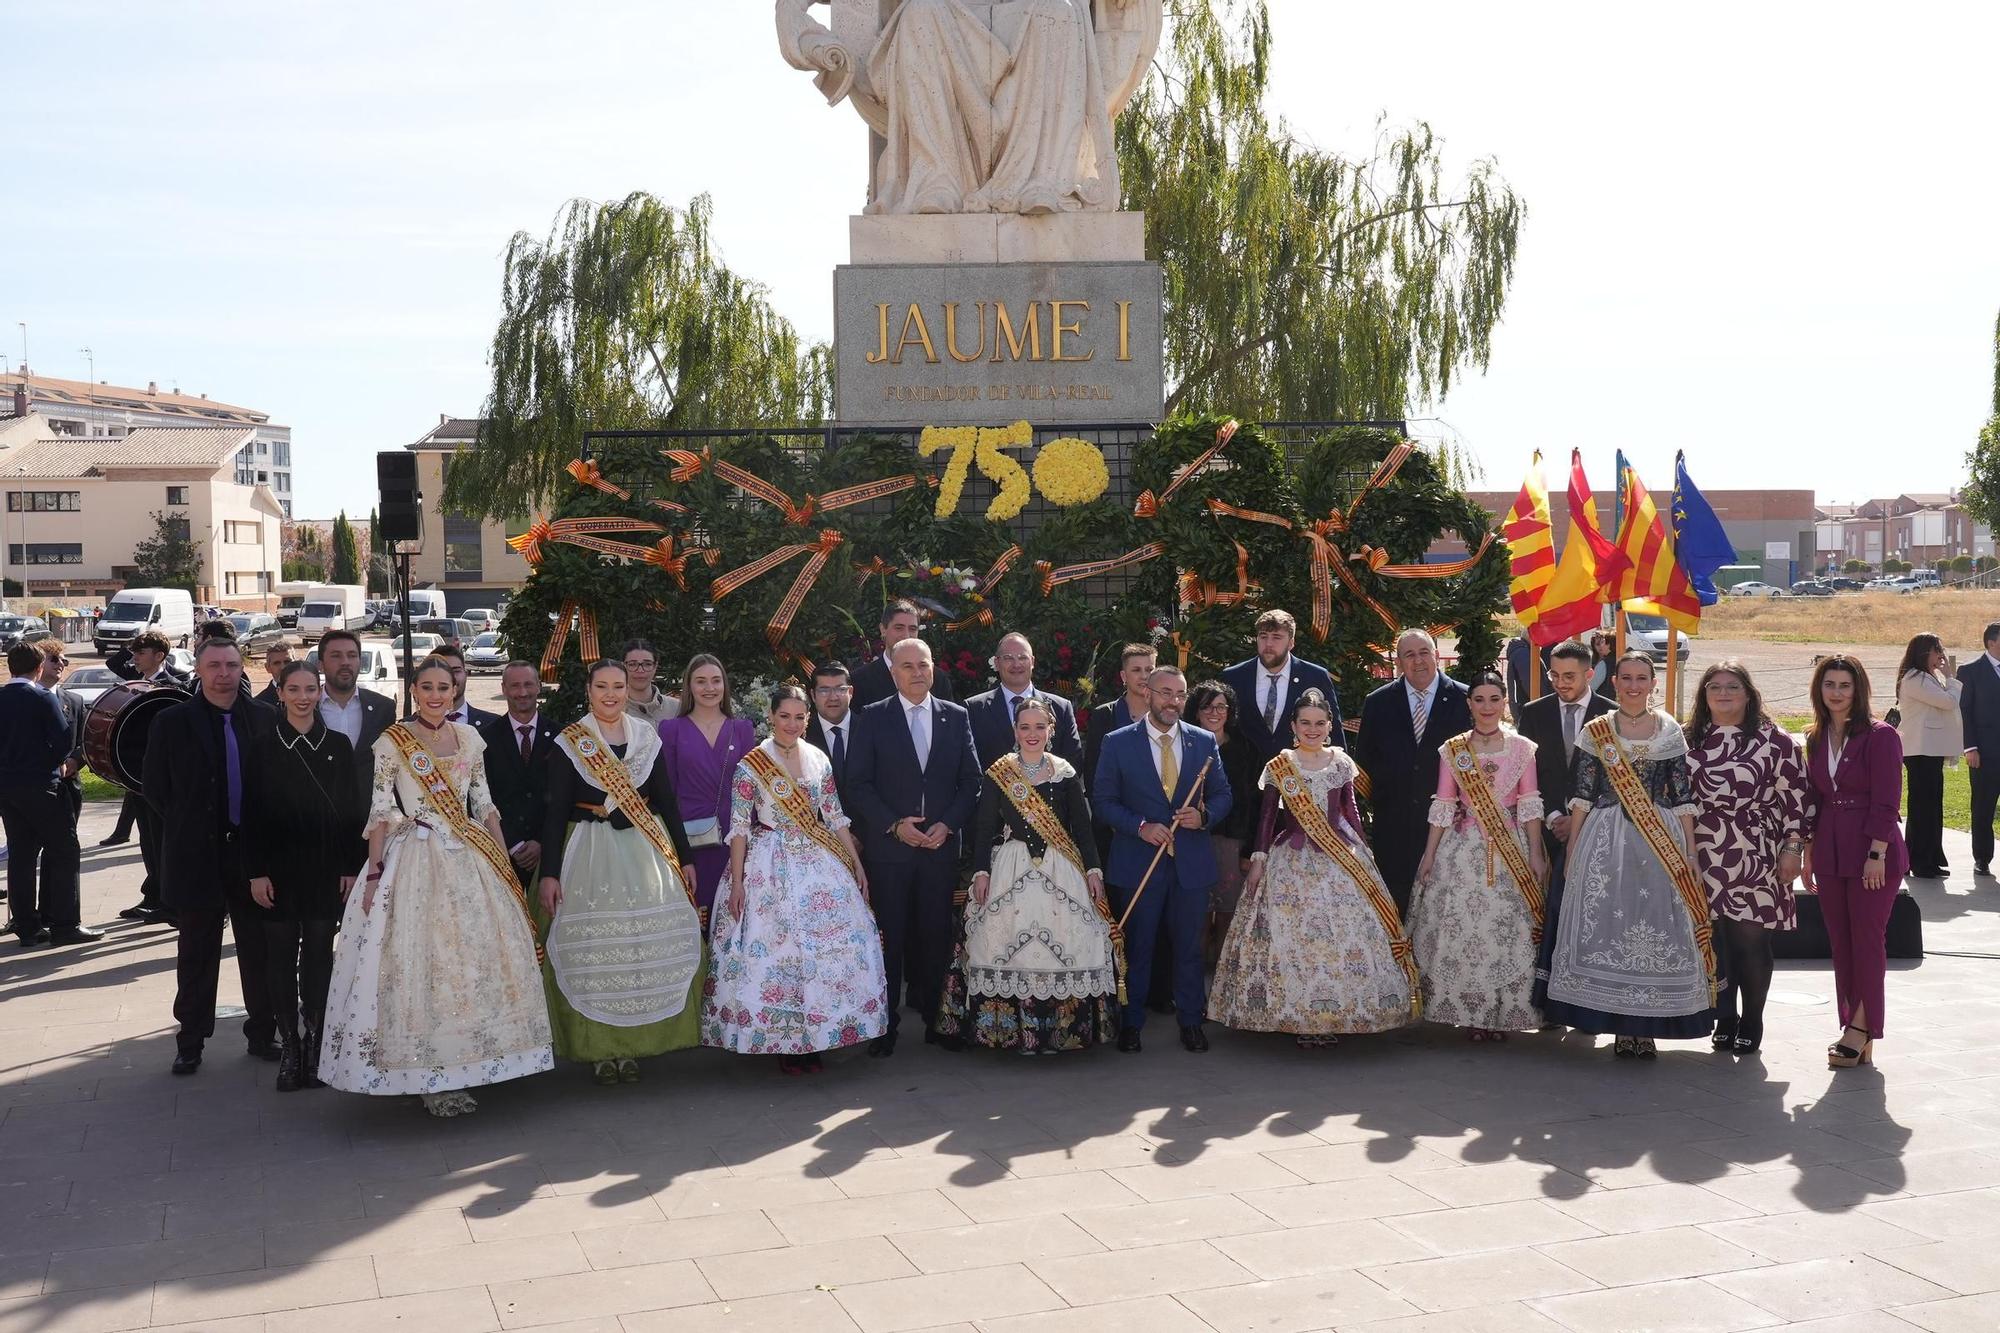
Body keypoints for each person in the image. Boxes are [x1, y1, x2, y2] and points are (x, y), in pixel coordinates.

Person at [319, 657, 553, 1115]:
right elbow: (380, 811)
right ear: (414, 689)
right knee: (422, 963)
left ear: (454, 690)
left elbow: (484, 804)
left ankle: (472, 1060)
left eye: (443, 687)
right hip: (415, 859)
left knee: (471, 964)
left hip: (470, 856)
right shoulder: (394, 741)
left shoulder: (470, 737)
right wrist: (374, 873)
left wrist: (503, 864)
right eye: (426, 687)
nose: (435, 695)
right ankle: (427, 1073)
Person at [704, 684, 886, 1072]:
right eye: (784, 716)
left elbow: (834, 816)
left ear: (808, 719)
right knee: (779, 952)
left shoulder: (818, 758)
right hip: (768, 865)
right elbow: (739, 827)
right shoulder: (753, 764)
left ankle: (817, 1037)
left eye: (799, 717)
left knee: (823, 951)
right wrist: (738, 883)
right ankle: (785, 1043)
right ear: (770, 716)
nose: (791, 724)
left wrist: (856, 864)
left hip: (819, 863)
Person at [540, 660, 704, 1085]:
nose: (610, 694)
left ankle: (634, 1048)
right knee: (595, 953)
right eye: (602, 686)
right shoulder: (571, 741)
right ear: (589, 690)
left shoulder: (646, 737)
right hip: (588, 854)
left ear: (627, 690)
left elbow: (666, 800)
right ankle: (600, 1051)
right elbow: (554, 812)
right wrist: (550, 873)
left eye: (617, 686)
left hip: (646, 850)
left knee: (640, 951)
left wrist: (685, 857)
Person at [1211, 689, 1406, 1047]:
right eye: (1305, 723)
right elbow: (1267, 818)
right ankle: (1297, 1016)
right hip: (1291, 857)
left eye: (1319, 723)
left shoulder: (1341, 763)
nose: (1312, 729)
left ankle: (1339, 1016)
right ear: (1293, 726)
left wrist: (1364, 853)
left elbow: (1350, 811)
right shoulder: (1280, 765)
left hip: (1339, 856)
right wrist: (1258, 860)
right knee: (1291, 938)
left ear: (1330, 726)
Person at [1541, 652, 1711, 1059]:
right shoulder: (1597, 731)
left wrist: (1690, 852)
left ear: (1653, 683)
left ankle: (1646, 1028)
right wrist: (1574, 848)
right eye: (1627, 678)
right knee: (1611, 929)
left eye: (1642, 678)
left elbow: (1682, 796)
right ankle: (1620, 1026)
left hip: (1658, 840)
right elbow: (1582, 795)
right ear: (1614, 682)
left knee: (1653, 925)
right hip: (1605, 840)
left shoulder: (1669, 730)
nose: (1634, 686)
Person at [938, 696, 1115, 1053]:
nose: (1032, 734)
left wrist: (1093, 870)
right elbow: (984, 827)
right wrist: (981, 872)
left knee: (1068, 946)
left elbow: (1082, 828)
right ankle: (1015, 1033)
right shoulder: (1000, 772)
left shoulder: (1064, 772)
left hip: (1061, 869)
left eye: (1039, 726)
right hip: (1011, 866)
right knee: (1003, 946)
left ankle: (1056, 1034)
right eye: (1024, 727)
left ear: (1051, 730)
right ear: (1015, 731)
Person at [143, 638, 279, 1074]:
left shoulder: (265, 717)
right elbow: (156, 789)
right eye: (215, 666)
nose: (224, 674)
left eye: (232, 665)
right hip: (197, 854)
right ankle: (190, 1041)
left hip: (252, 856)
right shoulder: (172, 721)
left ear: (243, 669)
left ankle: (263, 1032)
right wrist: (191, 824)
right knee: (197, 952)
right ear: (198, 671)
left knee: (258, 949)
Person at [844, 637, 982, 1055]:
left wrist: (948, 824)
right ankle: (884, 1026)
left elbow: (971, 781)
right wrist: (893, 825)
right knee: (891, 937)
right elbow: (857, 783)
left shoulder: (955, 716)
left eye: (924, 664)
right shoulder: (872, 717)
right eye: (908, 666)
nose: (918, 672)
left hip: (939, 849)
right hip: (891, 852)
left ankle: (940, 1022)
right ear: (893, 673)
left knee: (936, 937)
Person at [1093, 665, 1234, 1054]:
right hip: (1139, 863)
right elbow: (1103, 801)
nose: (1173, 701)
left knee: (1189, 949)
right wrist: (1140, 827)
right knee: (1138, 947)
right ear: (1147, 693)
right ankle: (1131, 1024)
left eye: (1180, 694)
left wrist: (1204, 817)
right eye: (1165, 693)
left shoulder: (1202, 741)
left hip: (1190, 865)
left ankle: (1191, 1022)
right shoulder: (1117, 742)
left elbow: (1223, 794)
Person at [242, 662, 366, 1091]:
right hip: (277, 870)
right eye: (293, 689)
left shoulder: (337, 745)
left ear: (319, 692)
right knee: (278, 957)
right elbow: (250, 814)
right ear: (279, 692)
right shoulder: (262, 747)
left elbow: (352, 812)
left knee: (318, 955)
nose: (302, 697)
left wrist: (350, 866)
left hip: (325, 869)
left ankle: (315, 1044)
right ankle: (290, 1047)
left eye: (310, 689)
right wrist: (256, 872)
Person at [1410, 671, 1548, 1041]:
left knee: (1507, 933)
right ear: (1469, 704)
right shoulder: (1453, 749)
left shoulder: (1523, 748)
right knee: (1462, 930)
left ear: (1505, 703)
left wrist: (1536, 854)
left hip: (1510, 849)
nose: (1487, 707)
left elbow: (1530, 804)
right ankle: (1470, 1014)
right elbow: (1444, 804)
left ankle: (1501, 1015)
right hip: (1461, 849)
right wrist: (1429, 856)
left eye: (1494, 699)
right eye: (1479, 700)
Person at [1685, 660, 1806, 1056]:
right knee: (1715, 940)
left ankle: (1753, 1018)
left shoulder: (1775, 740)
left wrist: (1793, 849)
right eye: (1714, 686)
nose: (1723, 693)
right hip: (1702, 850)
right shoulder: (1687, 739)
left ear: (1748, 694)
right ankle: (1725, 1016)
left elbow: (1797, 798)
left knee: (1750, 941)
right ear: (1704, 695)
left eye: (1732, 686)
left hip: (1756, 849)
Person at [1803, 655, 1907, 1070]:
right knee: (1841, 943)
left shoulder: (1881, 736)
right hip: (1830, 851)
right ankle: (1852, 1023)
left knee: (1867, 940)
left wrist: (1877, 853)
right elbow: (1815, 798)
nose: (1836, 692)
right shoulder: (1814, 736)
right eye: (1829, 684)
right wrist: (1810, 851)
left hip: (1872, 852)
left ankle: (1861, 1028)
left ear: (1858, 689)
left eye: (1844, 685)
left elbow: (1887, 799)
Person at [1515, 640, 1613, 1012]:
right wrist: (1555, 817)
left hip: (1596, 833)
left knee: (1591, 920)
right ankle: (1551, 1004)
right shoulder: (1533, 713)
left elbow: (1614, 779)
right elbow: (1528, 774)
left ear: (1590, 674)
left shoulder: (1611, 715)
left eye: (1569, 676)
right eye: (1554, 675)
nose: (1560, 683)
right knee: (1550, 918)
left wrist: (1580, 821)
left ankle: (1587, 1006)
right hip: (1547, 830)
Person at [1355, 629, 1473, 914]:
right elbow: (1364, 763)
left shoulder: (1465, 699)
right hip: (1394, 826)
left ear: (1436, 655)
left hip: (1450, 826)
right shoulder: (1378, 702)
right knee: (1397, 906)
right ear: (1398, 663)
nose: (1418, 661)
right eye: (1409, 655)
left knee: (1445, 907)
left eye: (1424, 653)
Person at [0, 642, 89, 947]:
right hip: (42, 785)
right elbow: (63, 741)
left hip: (7, 788)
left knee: (21, 855)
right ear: (39, 668)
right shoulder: (41, 698)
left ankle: (27, 926)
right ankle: (66, 924)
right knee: (65, 851)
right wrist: (48, 761)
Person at [658, 654, 758, 916]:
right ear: (689, 686)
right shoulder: (671, 730)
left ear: (725, 685)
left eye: (716, 680)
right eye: (701, 681)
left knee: (736, 914)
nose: (709, 688)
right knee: (696, 912)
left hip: (735, 836)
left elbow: (752, 790)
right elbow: (667, 792)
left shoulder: (743, 729)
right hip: (691, 837)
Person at [114, 629, 188, 920]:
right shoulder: (133, 684)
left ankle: (166, 900)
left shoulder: (175, 686)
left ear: (159, 656)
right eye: (134, 652)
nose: (134, 657)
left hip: (161, 781)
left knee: (161, 841)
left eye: (141, 652)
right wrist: (132, 641)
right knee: (147, 840)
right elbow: (114, 663)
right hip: (137, 777)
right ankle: (154, 895)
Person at [1188, 679, 1258, 967]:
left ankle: (1222, 979)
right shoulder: (1186, 745)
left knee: (1229, 911)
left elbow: (1255, 802)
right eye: (1207, 706)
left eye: (1221, 707)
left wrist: (1250, 850)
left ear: (1230, 711)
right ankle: (1196, 979)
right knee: (1198, 913)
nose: (1214, 713)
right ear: (1196, 711)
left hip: (1233, 842)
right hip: (1194, 840)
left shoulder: (1246, 749)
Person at [1221, 609, 1343, 765]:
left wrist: (1339, 771)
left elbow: (1333, 729)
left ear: (1291, 643)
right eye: (1263, 636)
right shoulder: (1234, 677)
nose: (1268, 644)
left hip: (1300, 772)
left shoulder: (1314, 676)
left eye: (1276, 637)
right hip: (1244, 773)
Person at [478, 661, 558, 886]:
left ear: (539, 686)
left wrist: (541, 842)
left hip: (550, 855)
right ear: (504, 689)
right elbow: (483, 798)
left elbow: (564, 797)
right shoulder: (484, 739)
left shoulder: (561, 736)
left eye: (528, 684)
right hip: (502, 852)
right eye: (515, 686)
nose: (522, 692)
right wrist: (513, 845)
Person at [964, 632, 1083, 770]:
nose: (1016, 664)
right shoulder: (974, 709)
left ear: (1032, 662)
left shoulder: (1061, 708)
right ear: (997, 663)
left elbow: (1073, 763)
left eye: (1022, 657)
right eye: (1008, 658)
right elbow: (968, 765)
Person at [1896, 633, 1962, 880]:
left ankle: (1928, 858)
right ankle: (1920, 861)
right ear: (1924, 652)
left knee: (1931, 806)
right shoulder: (1915, 678)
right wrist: (1951, 678)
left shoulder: (1925, 677)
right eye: (1937, 651)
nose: (1940, 656)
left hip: (1929, 750)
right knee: (1923, 808)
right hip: (1920, 750)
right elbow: (1948, 702)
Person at [316, 629, 396, 807]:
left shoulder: (384, 709)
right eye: (336, 656)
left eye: (352, 655)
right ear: (320, 665)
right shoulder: (307, 709)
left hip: (368, 815)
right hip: (318, 814)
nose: (345, 662)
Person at [851, 599, 957, 708]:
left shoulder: (937, 678)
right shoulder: (860, 680)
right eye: (899, 628)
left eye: (912, 629)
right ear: (883, 629)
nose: (906, 635)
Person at [1958, 621, 2000, 876]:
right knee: (1983, 807)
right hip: (1984, 753)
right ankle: (1982, 858)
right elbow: (1964, 711)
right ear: (1991, 642)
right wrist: (1970, 747)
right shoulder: (1970, 671)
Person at [804, 661, 856, 794]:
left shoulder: (870, 728)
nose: (833, 697)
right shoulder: (802, 735)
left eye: (840, 689)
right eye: (824, 690)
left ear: (850, 692)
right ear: (813, 695)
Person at [421, 643, 498, 727]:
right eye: (442, 671)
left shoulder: (493, 723)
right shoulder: (410, 729)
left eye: (456, 671)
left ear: (466, 674)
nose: (451, 677)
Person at [621, 638, 680, 726]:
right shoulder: (614, 711)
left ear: (655, 666)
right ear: (623, 666)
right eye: (632, 664)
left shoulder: (677, 709)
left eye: (647, 664)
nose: (640, 670)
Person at [1504, 632, 1552, 723]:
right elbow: (1530, 684)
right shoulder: (1524, 653)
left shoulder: (1522, 651)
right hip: (1529, 710)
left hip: (1525, 708)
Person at [253, 640, 294, 706]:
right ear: (268, 668)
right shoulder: (258, 704)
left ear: (296, 664)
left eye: (287, 662)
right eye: (276, 663)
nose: (283, 667)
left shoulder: (309, 696)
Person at [1588, 630, 1616, 696]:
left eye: (1602, 642)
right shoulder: (1622, 660)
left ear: (1609, 644)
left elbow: (1592, 686)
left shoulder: (1604, 663)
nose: (1600, 645)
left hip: (1605, 699)